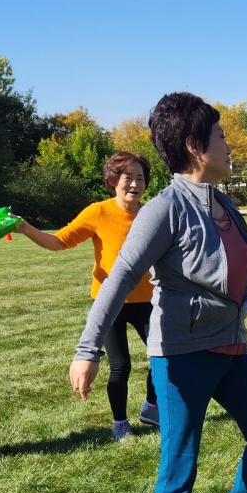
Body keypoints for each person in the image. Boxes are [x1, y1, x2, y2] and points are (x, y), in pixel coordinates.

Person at [69, 94, 247, 493]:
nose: (229, 145)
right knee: (180, 462)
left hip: (231, 344)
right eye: (221, 137)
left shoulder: (222, 202)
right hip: (182, 355)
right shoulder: (164, 209)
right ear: (194, 146)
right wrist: (87, 350)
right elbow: (120, 278)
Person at [18, 152, 159, 439]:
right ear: (113, 181)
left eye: (140, 178)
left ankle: (151, 406)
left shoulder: (151, 214)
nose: (135, 184)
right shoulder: (99, 212)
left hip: (148, 301)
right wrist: (24, 227)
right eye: (128, 177)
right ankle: (120, 423)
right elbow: (59, 241)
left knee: (163, 357)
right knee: (121, 366)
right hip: (110, 304)